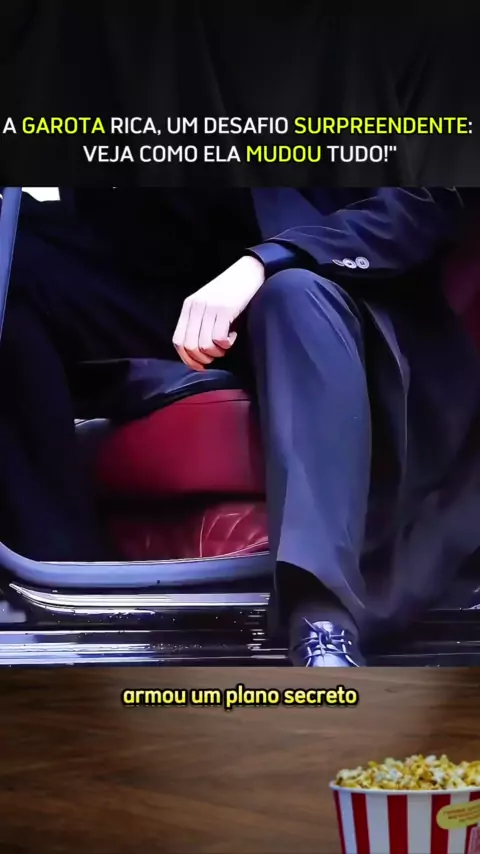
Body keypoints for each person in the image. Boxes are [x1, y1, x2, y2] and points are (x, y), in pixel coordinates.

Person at [1, 187, 480, 667]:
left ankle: (322, 622)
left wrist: (265, 262)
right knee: (15, 267)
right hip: (186, 292)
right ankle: (58, 584)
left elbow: (428, 200)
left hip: (340, 291)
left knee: (291, 291)